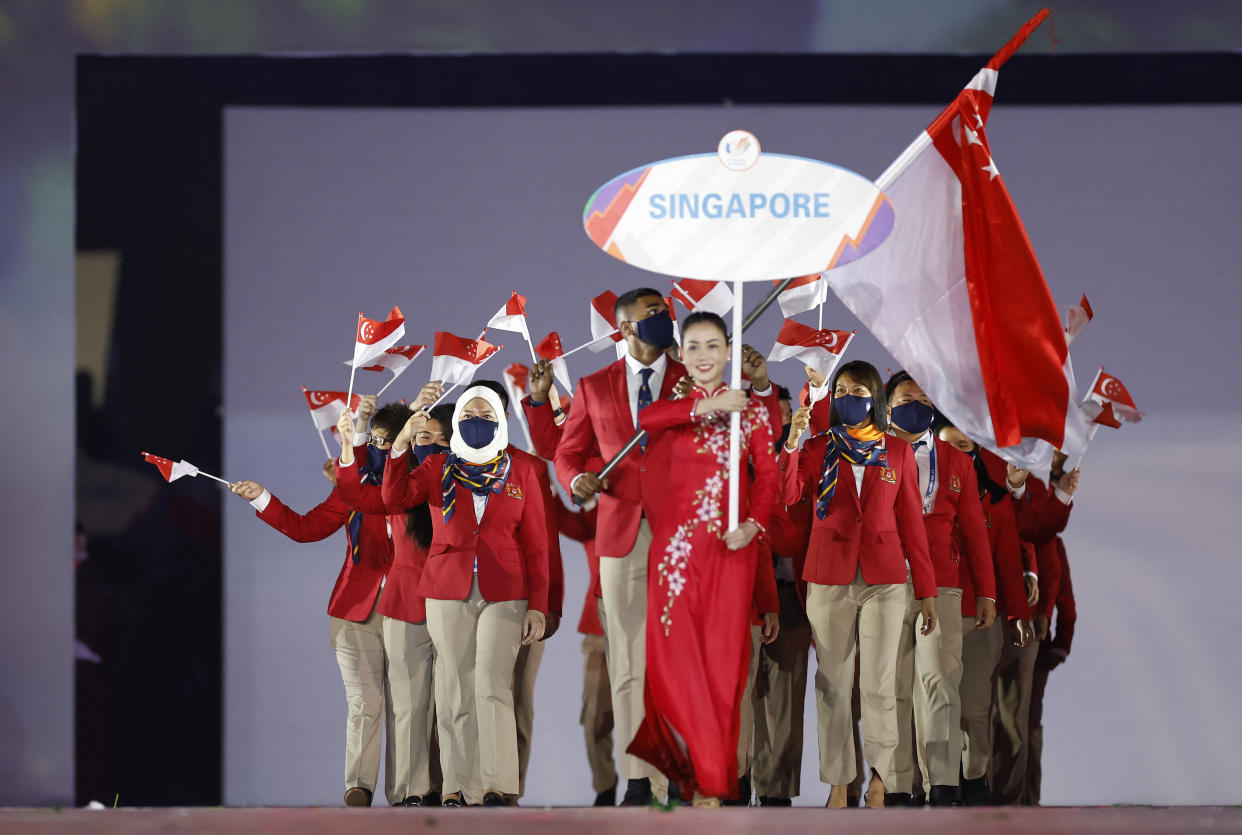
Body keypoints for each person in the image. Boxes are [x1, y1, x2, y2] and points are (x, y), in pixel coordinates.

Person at [625, 311, 779, 807]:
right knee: (674, 669)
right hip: (674, 557)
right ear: (681, 355)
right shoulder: (673, 407)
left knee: (722, 671)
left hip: (729, 553)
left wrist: (753, 526)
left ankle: (712, 782)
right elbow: (647, 420)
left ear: (728, 352)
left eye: (713, 346)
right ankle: (695, 778)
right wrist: (705, 405)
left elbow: (770, 480)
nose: (704, 356)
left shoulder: (750, 414)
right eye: (693, 347)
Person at [383, 384, 550, 808]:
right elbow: (395, 497)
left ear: (502, 420)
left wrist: (540, 605)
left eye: (488, 416)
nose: (479, 423)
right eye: (470, 416)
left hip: (506, 592)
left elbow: (537, 544)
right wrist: (402, 443)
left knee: (492, 683)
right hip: (445, 586)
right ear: (457, 424)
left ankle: (495, 785)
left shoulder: (524, 469)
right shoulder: (438, 465)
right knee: (454, 686)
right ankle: (458, 786)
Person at [781, 360, 937, 809]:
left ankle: (880, 780)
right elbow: (790, 496)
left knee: (880, 683)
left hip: (886, 579)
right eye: (843, 390)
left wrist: (925, 591)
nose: (851, 398)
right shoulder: (816, 448)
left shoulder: (897, 451)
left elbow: (912, 524)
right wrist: (792, 443)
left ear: (876, 399)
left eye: (860, 390)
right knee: (832, 681)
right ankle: (837, 783)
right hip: (829, 577)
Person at [553, 288, 688, 806]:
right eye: (651, 314)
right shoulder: (594, 386)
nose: (663, 319)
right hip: (620, 533)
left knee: (673, 659)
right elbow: (569, 453)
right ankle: (637, 778)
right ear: (625, 328)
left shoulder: (694, 381)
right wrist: (578, 478)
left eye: (665, 312)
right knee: (629, 660)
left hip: (681, 535)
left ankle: (674, 770)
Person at [229, 395, 395, 808]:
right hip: (355, 613)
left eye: (391, 443)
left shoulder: (425, 490)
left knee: (409, 708)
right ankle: (359, 786)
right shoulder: (353, 491)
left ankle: (409, 792)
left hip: (413, 611)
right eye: (375, 441)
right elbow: (305, 528)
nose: (382, 449)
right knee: (365, 702)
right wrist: (262, 498)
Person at [884, 371, 996, 807]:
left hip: (943, 585)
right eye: (906, 397)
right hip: (884, 584)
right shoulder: (867, 451)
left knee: (940, 684)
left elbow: (973, 529)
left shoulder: (956, 459)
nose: (916, 403)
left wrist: (985, 591)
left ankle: (944, 786)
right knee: (889, 687)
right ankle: (894, 786)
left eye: (924, 397)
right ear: (887, 405)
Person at [334, 392, 451, 807]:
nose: (422, 442)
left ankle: (447, 789)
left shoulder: (441, 474)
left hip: (445, 600)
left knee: (441, 707)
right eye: (413, 436)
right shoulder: (396, 489)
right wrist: (351, 445)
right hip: (392, 607)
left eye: (431, 438)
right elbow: (356, 498)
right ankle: (404, 792)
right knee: (399, 703)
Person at [935, 418, 1033, 805]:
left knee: (975, 705)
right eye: (949, 446)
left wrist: (1018, 614)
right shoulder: (912, 494)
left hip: (979, 617)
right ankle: (936, 783)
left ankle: (974, 778)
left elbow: (1008, 560)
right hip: (928, 614)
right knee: (936, 703)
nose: (959, 453)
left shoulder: (993, 499)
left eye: (966, 446)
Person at [989, 452, 1078, 805]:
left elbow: (1048, 550)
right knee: (976, 714)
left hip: (1019, 618)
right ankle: (969, 797)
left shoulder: (1034, 487)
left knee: (1017, 719)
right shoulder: (959, 467)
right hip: (971, 610)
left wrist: (1044, 613)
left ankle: (1014, 803)